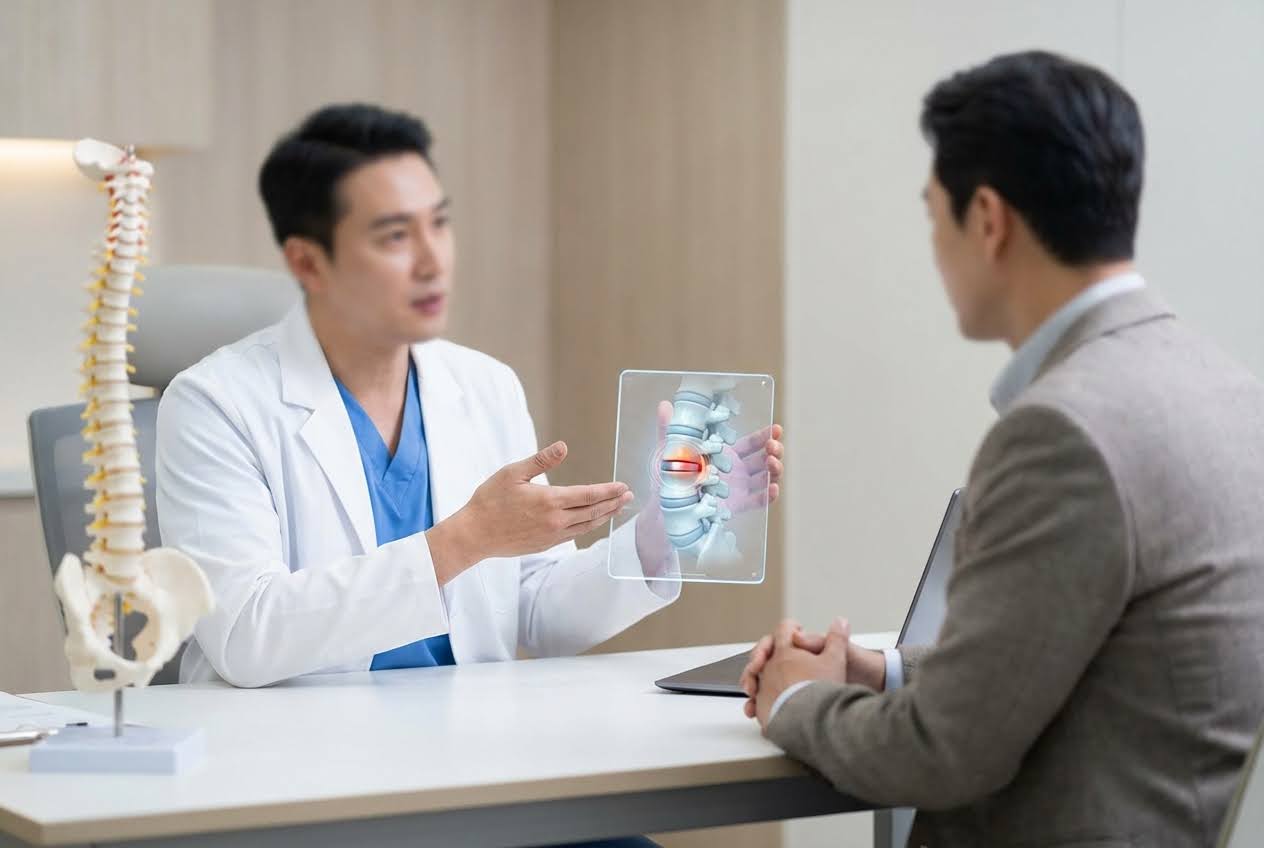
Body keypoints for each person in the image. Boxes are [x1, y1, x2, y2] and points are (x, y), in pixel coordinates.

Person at [742, 51, 1264, 846]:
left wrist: (793, 700)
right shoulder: (1227, 391)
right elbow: (1097, 675)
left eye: (932, 213)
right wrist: (885, 673)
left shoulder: (1064, 432)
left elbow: (939, 753)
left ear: (987, 219)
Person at [155, 103, 785, 692]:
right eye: (395, 236)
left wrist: (658, 532)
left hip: (468, 746)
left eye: (440, 223)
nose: (434, 260)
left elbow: (537, 612)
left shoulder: (484, 386)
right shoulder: (213, 404)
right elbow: (246, 636)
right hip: (285, 765)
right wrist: (465, 540)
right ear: (309, 263)